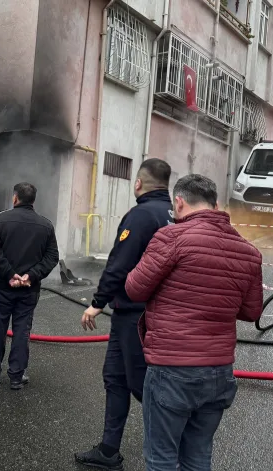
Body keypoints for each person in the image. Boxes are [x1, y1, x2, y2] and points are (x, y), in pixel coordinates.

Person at [124, 174, 262, 471]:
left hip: (172, 368)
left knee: (161, 457)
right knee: (198, 456)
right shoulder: (249, 252)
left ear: (179, 202)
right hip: (219, 372)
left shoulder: (171, 238)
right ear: (216, 204)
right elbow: (252, 311)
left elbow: (135, 289)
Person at [75, 158, 173, 470]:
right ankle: (108, 450)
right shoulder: (174, 214)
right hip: (145, 313)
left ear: (139, 184)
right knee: (116, 378)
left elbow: (120, 263)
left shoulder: (142, 215)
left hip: (135, 314)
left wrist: (97, 301)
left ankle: (174, 451)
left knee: (142, 384)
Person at [0, 182, 58, 390]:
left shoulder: (1, 219)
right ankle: (16, 375)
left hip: (2, 286)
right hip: (29, 289)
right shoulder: (46, 225)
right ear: (33, 200)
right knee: (22, 330)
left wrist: (10, 273)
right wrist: (30, 276)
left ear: (15, 198)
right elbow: (52, 257)